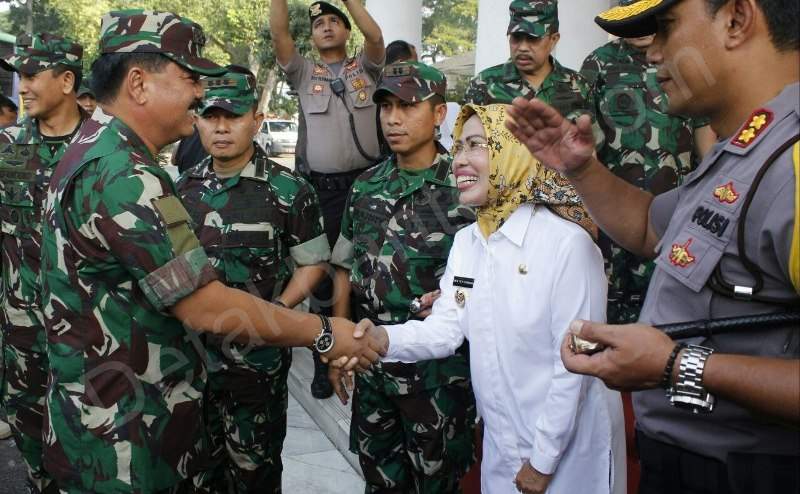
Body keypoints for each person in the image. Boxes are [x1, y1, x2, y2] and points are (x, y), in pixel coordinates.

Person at [38, 10, 383, 494]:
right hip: (124, 442)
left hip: (107, 419)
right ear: (138, 83)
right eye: (188, 78)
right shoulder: (124, 175)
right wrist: (324, 332)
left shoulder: (92, 150)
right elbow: (203, 305)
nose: (200, 95)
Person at [505, 0, 800, 492]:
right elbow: (650, 226)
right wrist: (581, 169)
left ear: (736, 19)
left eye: (666, 28)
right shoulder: (745, 148)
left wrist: (675, 364)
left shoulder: (792, 163)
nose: (653, 53)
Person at [342, 104, 626, 494]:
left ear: (515, 153)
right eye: (457, 147)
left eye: (476, 145)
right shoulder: (468, 242)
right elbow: (446, 327)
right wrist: (382, 339)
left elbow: (576, 368)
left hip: (567, 451)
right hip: (501, 443)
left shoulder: (567, 245)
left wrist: (542, 461)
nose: (459, 160)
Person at [177, 66, 329, 493]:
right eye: (211, 116)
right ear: (198, 121)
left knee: (254, 474)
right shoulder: (182, 190)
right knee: (198, 474)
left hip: (256, 369)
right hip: (191, 367)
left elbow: (313, 262)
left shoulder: (288, 190)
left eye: (234, 116)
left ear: (256, 120)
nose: (221, 128)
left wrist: (276, 311)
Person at [329, 62, 476, 493]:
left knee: (438, 482)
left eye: (408, 106)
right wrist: (339, 345)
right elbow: (344, 266)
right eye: (386, 106)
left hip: (438, 377)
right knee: (379, 479)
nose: (393, 118)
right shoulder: (366, 186)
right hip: (373, 364)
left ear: (438, 114)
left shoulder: (465, 189)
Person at [271, 0, 386, 399]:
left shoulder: (367, 66)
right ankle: (326, 357)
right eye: (319, 23)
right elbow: (280, 36)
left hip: (370, 184)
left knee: (367, 271)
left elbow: (375, 36)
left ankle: (366, 350)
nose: (326, 27)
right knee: (322, 273)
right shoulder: (304, 71)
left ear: (346, 29)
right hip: (325, 192)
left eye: (334, 20)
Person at [580, 0, 716, 324]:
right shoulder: (598, 64)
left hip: (675, 210)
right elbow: (583, 139)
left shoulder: (683, 57)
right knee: (611, 307)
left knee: (673, 308)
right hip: (615, 214)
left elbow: (705, 135)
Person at [0, 32, 86, 494]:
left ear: (68, 81)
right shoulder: (6, 147)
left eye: (33, 75)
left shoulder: (105, 147)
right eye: (20, 77)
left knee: (92, 444)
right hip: (22, 333)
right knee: (28, 426)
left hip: (93, 339)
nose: (24, 87)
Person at [464, 0, 600, 146]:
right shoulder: (484, 84)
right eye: (516, 37)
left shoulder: (579, 85)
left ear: (553, 39)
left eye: (532, 39)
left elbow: (594, 145)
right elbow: (465, 142)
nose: (522, 47)